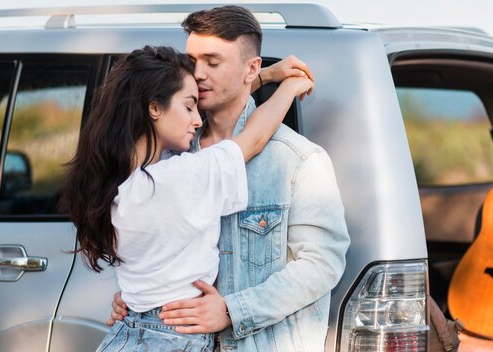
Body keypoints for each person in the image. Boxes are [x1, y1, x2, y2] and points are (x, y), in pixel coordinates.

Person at [109, 5, 350, 351]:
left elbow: (322, 264)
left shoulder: (297, 160)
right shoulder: (171, 158)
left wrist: (232, 309)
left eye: (213, 62)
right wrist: (137, 298)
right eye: (192, 62)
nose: (199, 74)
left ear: (251, 68)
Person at [60, 45, 313, 352]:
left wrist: (264, 76)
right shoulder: (177, 179)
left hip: (129, 332)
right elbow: (255, 137)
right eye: (190, 106)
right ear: (154, 108)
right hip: (172, 338)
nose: (198, 119)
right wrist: (289, 86)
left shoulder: (119, 181)